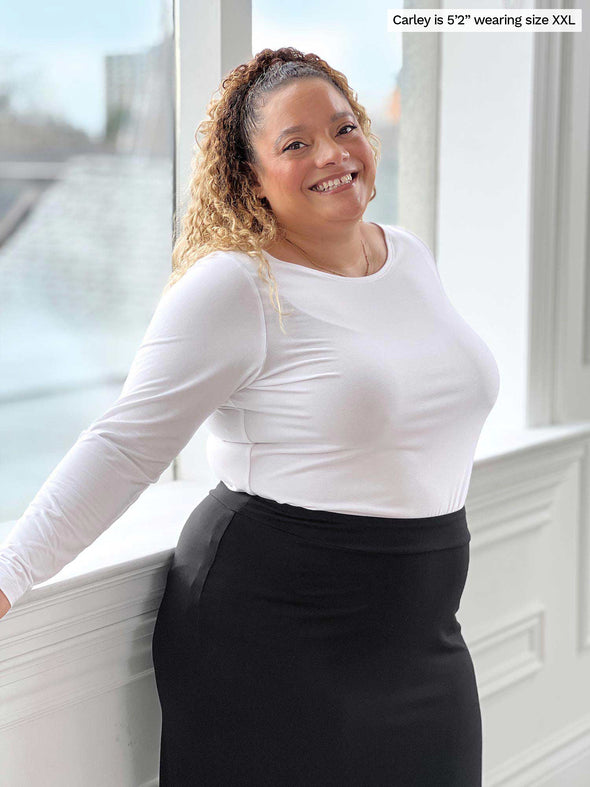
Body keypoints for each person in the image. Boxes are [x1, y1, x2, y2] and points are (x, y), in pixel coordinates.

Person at [0, 47, 500, 785]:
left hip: (419, 630)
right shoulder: (235, 286)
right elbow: (125, 446)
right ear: (249, 176)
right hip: (274, 629)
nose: (332, 154)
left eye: (343, 126)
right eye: (295, 143)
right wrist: (10, 571)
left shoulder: (411, 256)